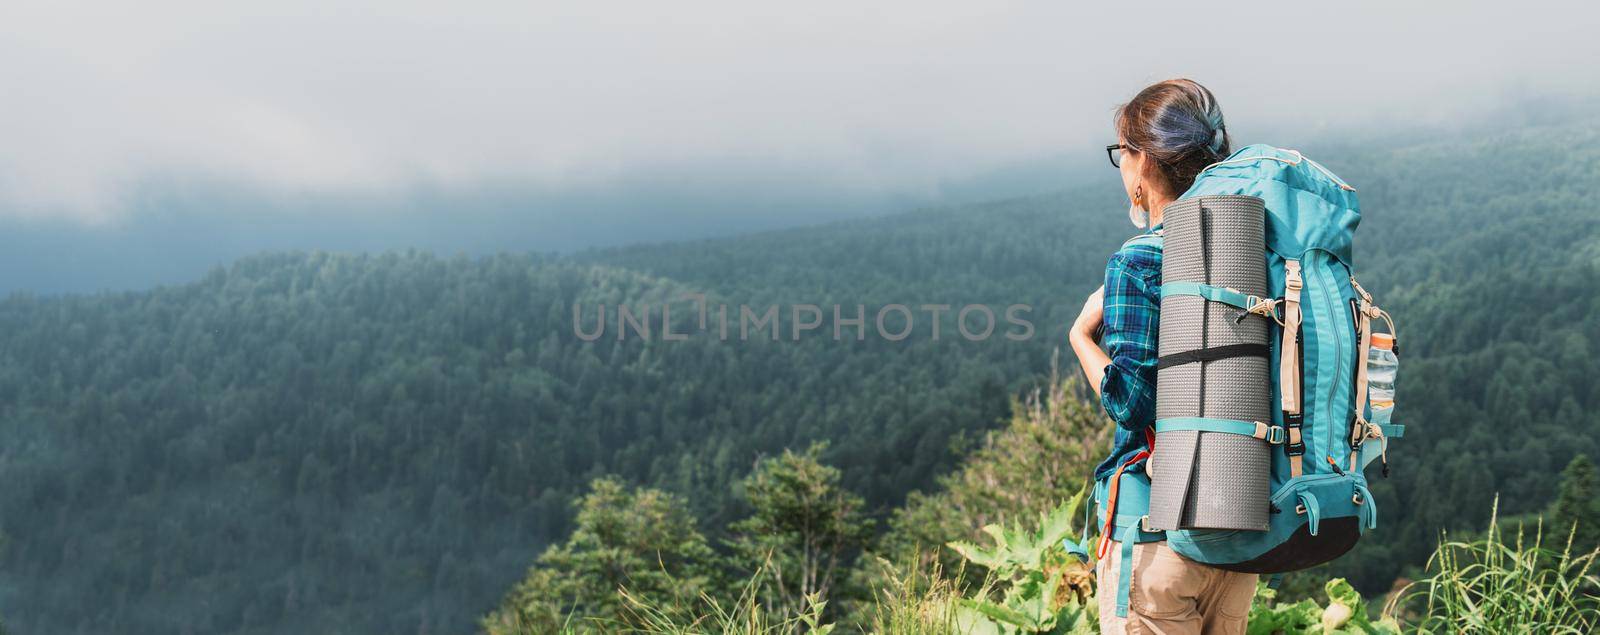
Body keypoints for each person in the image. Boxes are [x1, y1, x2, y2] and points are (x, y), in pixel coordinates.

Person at [1068, 78, 1259, 634]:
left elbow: (1132, 403)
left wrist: (1081, 337)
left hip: (1155, 540)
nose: (1122, 167)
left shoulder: (1137, 263)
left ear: (1144, 163)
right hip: (1238, 535)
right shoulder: (1249, 253)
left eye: (1120, 153)